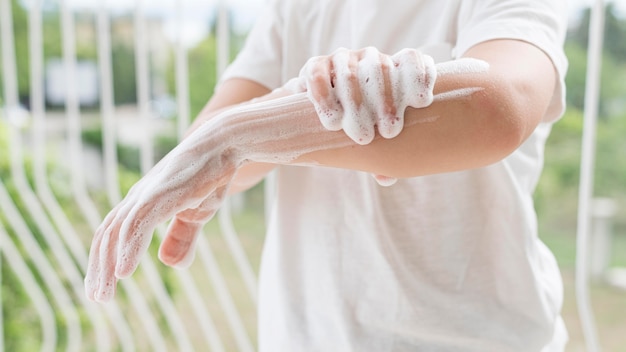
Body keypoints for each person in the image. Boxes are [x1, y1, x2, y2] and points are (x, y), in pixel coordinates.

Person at [85, 0, 570, 350]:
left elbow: (498, 108)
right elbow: (206, 157)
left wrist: (247, 131)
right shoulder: (293, 8)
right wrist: (256, 128)